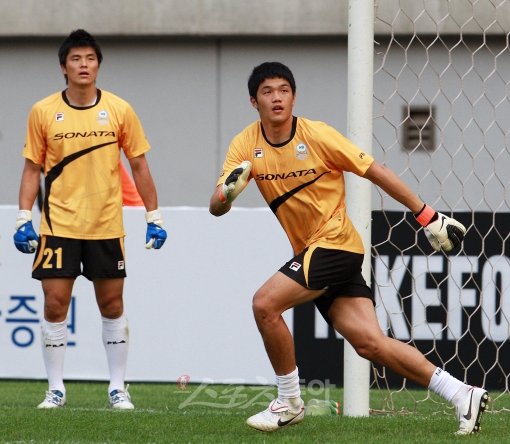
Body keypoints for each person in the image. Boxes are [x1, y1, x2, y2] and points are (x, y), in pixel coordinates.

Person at [209, 61, 489, 435]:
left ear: (293, 96)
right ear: (253, 101)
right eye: (267, 92)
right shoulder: (246, 144)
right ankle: (462, 393)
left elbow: (376, 171)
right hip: (314, 251)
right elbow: (216, 206)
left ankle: (289, 401)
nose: (276, 98)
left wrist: (426, 215)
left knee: (264, 304)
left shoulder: (319, 136)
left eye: (283, 90)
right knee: (371, 344)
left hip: (336, 245)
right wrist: (227, 193)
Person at [13, 29, 167, 410]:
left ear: (99, 65)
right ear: (63, 67)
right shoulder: (43, 111)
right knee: (54, 305)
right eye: (76, 59)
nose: (84, 65)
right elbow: (32, 169)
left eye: (90, 59)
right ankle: (55, 389)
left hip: (105, 226)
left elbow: (139, 164)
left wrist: (154, 215)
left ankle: (117, 387)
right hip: (57, 227)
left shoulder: (119, 109)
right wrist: (21, 218)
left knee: (112, 305)